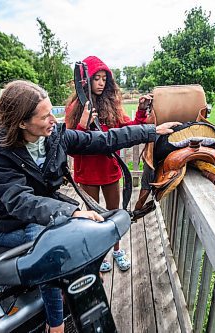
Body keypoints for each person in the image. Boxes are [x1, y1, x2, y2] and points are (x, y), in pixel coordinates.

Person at [0, 80, 179, 333]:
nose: (53, 120)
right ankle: (56, 326)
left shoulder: (54, 136)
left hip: (51, 213)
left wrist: (151, 132)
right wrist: (70, 212)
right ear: (22, 123)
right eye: (44, 117)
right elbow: (18, 200)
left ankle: (84, 289)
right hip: (11, 224)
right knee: (51, 244)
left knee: (75, 233)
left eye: (51, 112)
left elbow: (104, 139)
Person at [65, 55, 153, 272]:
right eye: (97, 78)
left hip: (110, 170)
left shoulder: (111, 105)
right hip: (87, 173)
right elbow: (70, 144)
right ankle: (99, 254)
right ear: (86, 80)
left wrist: (141, 110)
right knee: (93, 217)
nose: (101, 83)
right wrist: (83, 123)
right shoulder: (76, 107)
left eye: (105, 78)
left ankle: (116, 250)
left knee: (114, 213)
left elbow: (130, 128)